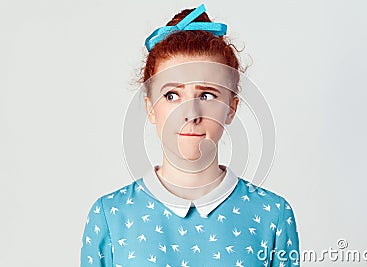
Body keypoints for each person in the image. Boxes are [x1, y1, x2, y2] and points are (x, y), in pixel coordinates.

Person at [80, 4, 300, 267]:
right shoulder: (109, 217)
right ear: (150, 108)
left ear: (231, 108)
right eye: (172, 95)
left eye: (207, 95)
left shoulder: (272, 216)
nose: (190, 114)